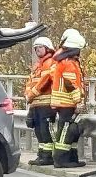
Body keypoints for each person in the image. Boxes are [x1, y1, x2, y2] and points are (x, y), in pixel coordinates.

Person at [50, 28, 87, 168]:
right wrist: (78, 101)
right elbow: (70, 84)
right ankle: (61, 160)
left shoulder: (65, 61)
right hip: (66, 103)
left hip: (64, 102)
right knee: (66, 130)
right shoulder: (69, 63)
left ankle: (72, 158)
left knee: (70, 131)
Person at [23, 36, 56, 166]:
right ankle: (41, 155)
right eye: (36, 48)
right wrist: (27, 93)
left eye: (40, 47)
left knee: (44, 130)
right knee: (38, 130)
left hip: (46, 103)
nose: (37, 50)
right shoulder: (37, 65)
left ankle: (48, 156)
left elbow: (45, 81)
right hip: (35, 103)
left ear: (47, 48)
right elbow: (30, 81)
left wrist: (31, 94)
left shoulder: (50, 63)